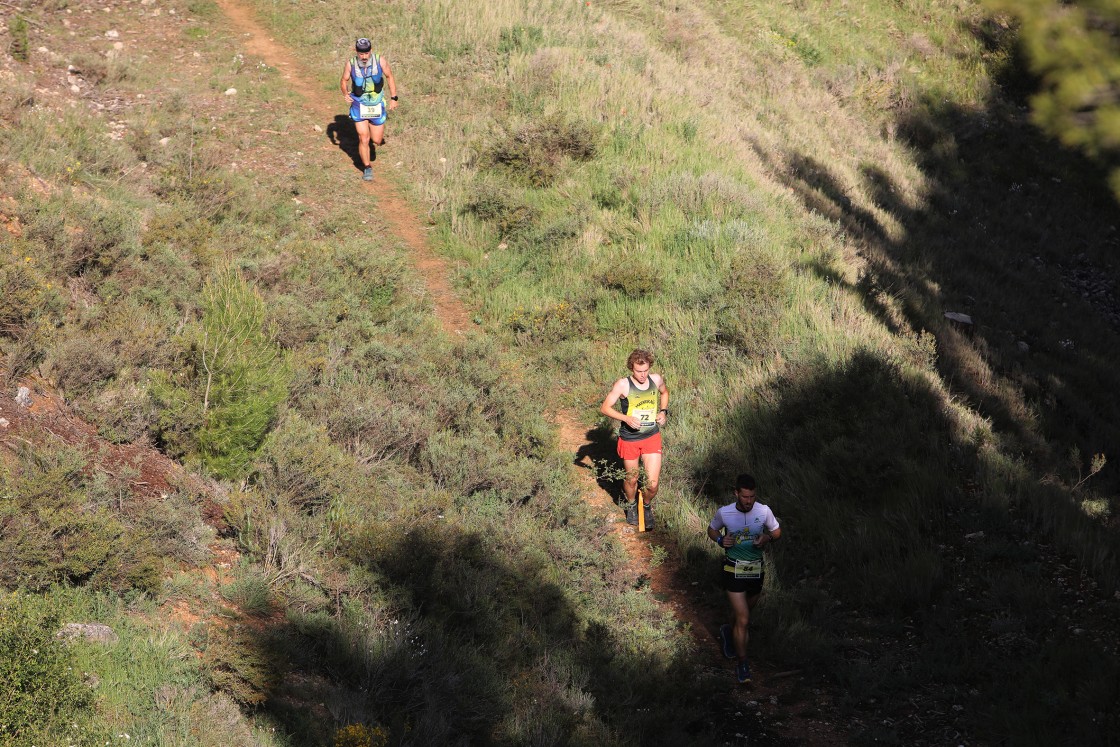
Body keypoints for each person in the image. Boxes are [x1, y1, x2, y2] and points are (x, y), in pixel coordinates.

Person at [707, 473, 781, 684]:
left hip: (756, 571)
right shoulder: (725, 512)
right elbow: (711, 529)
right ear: (736, 494)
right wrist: (720, 540)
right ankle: (743, 664)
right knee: (744, 619)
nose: (749, 501)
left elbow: (777, 532)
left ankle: (727, 631)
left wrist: (767, 537)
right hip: (733, 570)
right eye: (745, 497)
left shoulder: (763, 511)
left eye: (752, 497)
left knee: (743, 614)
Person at [599, 349, 669, 528]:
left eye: (646, 370)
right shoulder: (623, 385)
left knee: (652, 485)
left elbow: (664, 393)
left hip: (651, 437)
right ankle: (631, 504)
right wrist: (626, 418)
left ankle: (645, 505)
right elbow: (605, 408)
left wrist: (663, 412)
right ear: (632, 368)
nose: (643, 375)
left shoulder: (656, 379)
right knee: (632, 479)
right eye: (639, 371)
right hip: (630, 439)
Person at [339, 38, 398, 181]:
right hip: (359, 104)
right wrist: (345, 94)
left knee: (376, 140)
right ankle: (367, 167)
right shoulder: (351, 64)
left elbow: (389, 76)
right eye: (361, 53)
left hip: (376, 103)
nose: (364, 56)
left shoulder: (380, 61)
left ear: (370, 51)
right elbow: (344, 80)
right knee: (363, 137)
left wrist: (394, 97)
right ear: (356, 52)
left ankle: (374, 135)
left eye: (366, 53)